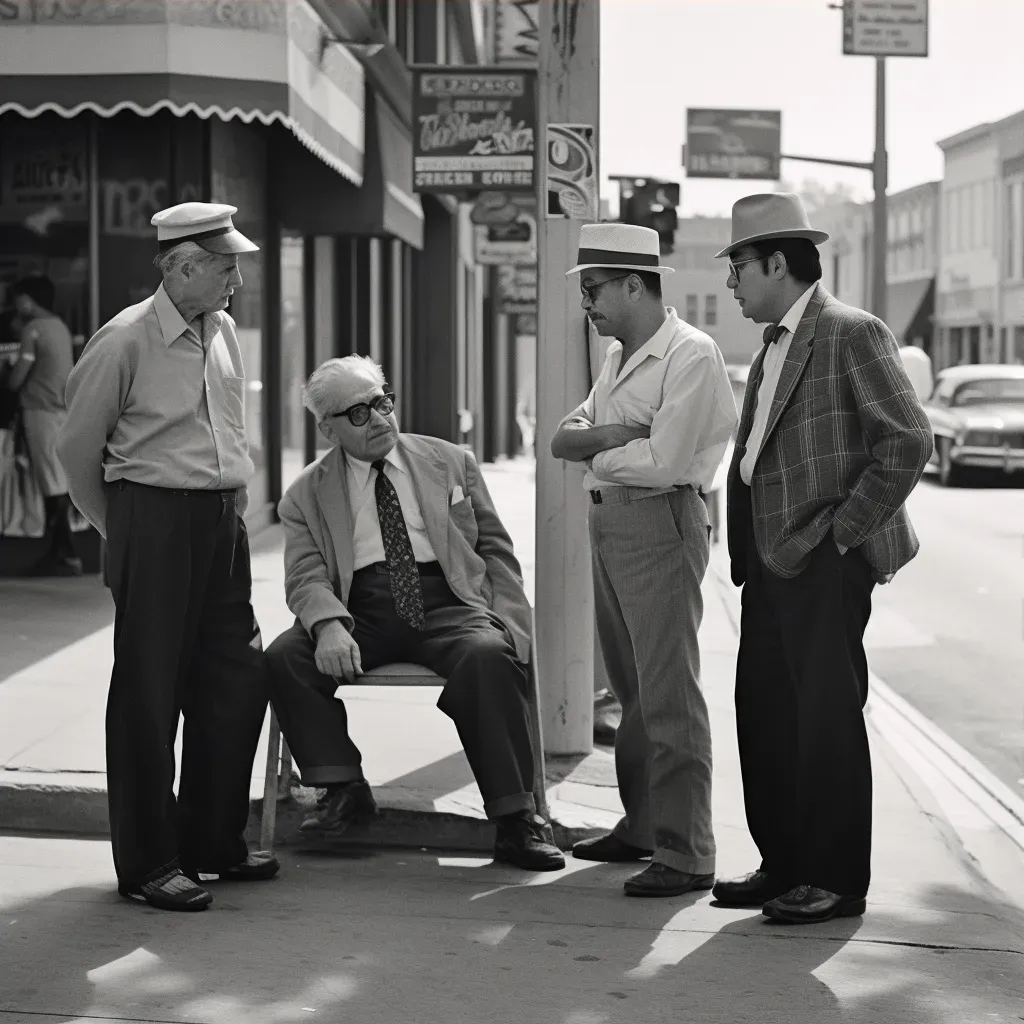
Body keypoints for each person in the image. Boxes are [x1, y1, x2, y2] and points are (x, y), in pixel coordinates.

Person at [712, 193, 932, 924]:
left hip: (822, 561)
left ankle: (834, 878)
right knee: (767, 715)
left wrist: (841, 537)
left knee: (825, 719)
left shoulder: (851, 332)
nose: (731, 282)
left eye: (738, 265)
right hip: (771, 564)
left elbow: (906, 441)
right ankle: (784, 865)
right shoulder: (772, 342)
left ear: (777, 261)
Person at [57, 202, 276, 912]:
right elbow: (75, 453)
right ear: (182, 267)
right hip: (152, 519)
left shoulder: (224, 332)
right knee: (150, 695)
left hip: (221, 522)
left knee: (237, 680)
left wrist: (236, 502)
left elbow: (228, 426)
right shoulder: (124, 340)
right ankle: (150, 865)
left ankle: (213, 842)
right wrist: (121, 530)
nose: (236, 277)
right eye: (224, 265)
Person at [265, 355, 564, 872]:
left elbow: (495, 548)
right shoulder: (305, 493)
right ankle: (342, 789)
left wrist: (513, 622)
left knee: (490, 657)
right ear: (326, 427)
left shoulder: (450, 461)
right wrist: (328, 623)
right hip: (360, 607)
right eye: (358, 413)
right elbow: (305, 574)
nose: (379, 419)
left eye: (382, 402)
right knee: (286, 657)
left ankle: (517, 820)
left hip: (449, 599)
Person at [550, 223, 737, 898]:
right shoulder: (619, 355)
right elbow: (560, 438)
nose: (587, 304)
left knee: (668, 696)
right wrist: (613, 435)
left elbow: (664, 463)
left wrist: (595, 446)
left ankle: (688, 853)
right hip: (613, 522)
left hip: (659, 524)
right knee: (631, 693)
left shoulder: (690, 355)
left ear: (636, 284)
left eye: (595, 289)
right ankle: (643, 826)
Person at [5, 276, 79, 575]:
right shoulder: (58, 326)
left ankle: (66, 554)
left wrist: (9, 367)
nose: (15, 305)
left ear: (27, 300)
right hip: (60, 413)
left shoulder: (33, 329)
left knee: (51, 485)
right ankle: (60, 551)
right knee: (56, 481)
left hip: (40, 414)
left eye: (18, 299)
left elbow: (15, 381)